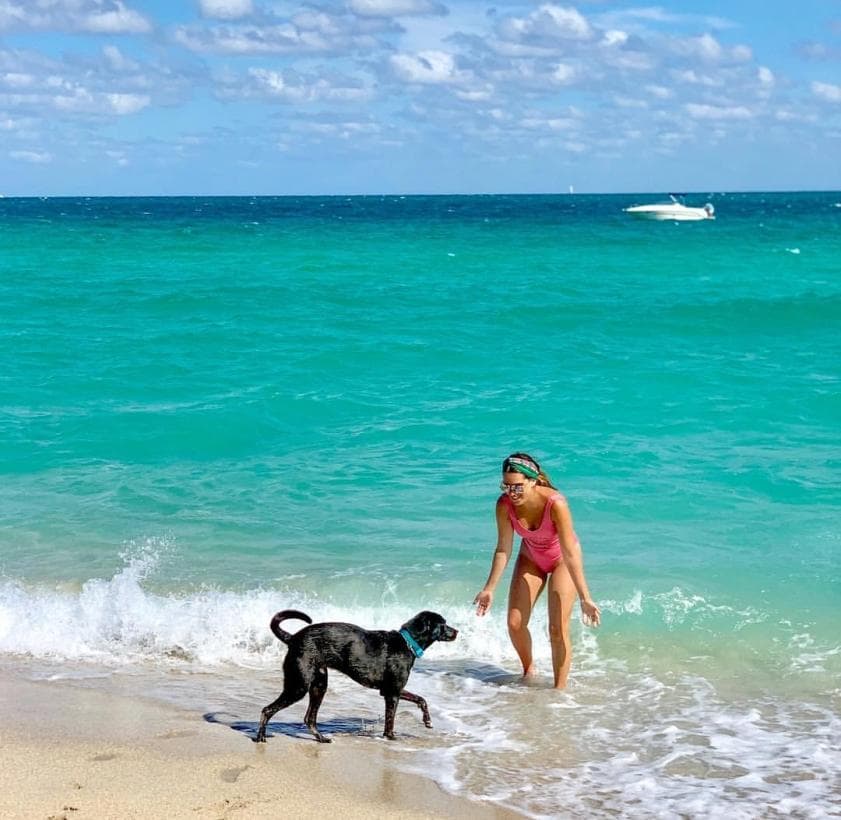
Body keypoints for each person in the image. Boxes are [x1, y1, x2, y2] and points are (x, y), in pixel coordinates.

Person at [473, 452, 601, 689]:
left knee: (557, 628)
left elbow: (571, 552)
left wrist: (586, 597)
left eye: (518, 486)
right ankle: (528, 671)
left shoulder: (556, 504)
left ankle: (559, 691)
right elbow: (503, 549)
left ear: (533, 480)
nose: (512, 493)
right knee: (514, 622)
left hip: (563, 560)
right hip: (531, 557)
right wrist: (489, 588)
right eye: (507, 486)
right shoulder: (504, 505)